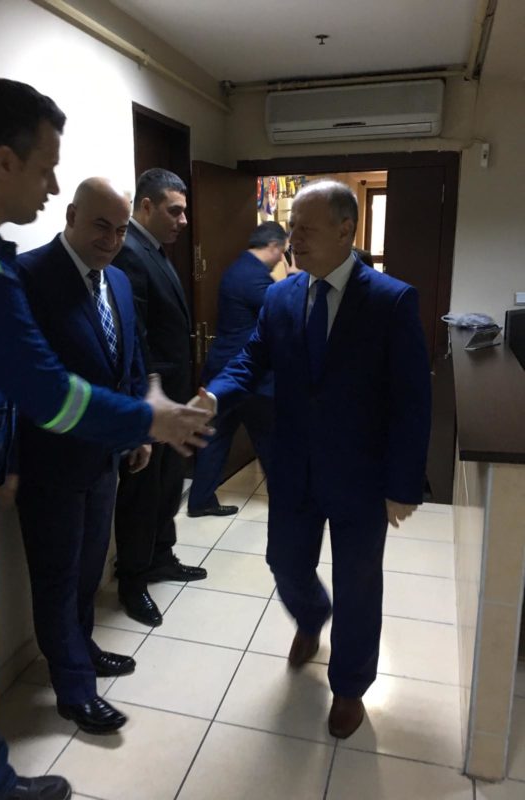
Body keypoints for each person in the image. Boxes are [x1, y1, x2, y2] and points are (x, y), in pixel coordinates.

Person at [0, 79, 211, 800]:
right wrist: (151, 419)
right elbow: (46, 390)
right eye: (47, 169)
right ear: (4, 162)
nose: (51, 187)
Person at [202, 179, 431, 740]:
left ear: (346, 230)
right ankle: (310, 615)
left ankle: (350, 685)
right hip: (293, 465)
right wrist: (212, 396)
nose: (293, 239)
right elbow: (251, 360)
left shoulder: (390, 300)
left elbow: (411, 400)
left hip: (360, 474)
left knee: (359, 585)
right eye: (291, 228)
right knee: (284, 561)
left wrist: (403, 484)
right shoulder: (281, 296)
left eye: (305, 228)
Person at [16, 178, 151, 734]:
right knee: (57, 575)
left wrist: (138, 429)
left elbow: (130, 361)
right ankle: (73, 688)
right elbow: (17, 380)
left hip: (104, 461)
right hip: (49, 463)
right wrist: (9, 464)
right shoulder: (28, 277)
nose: (111, 241)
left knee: (89, 569)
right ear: (71, 215)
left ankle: (82, 647)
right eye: (101, 226)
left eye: (120, 231)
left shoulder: (117, 280)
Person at [112, 168, 207, 628]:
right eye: (175, 211)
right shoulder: (130, 252)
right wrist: (150, 399)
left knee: (168, 484)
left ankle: (161, 557)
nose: (183, 221)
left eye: (184, 211)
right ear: (146, 206)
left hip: (173, 395)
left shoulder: (155, 249)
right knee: (142, 493)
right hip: (152, 400)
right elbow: (137, 336)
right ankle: (132, 580)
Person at [187, 221, 288, 517]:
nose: (282, 259)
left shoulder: (238, 269)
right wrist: (293, 277)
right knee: (270, 440)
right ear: (273, 246)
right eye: (282, 252)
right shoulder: (253, 277)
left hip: (223, 371)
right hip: (249, 375)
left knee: (215, 438)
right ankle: (286, 501)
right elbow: (283, 311)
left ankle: (200, 500)